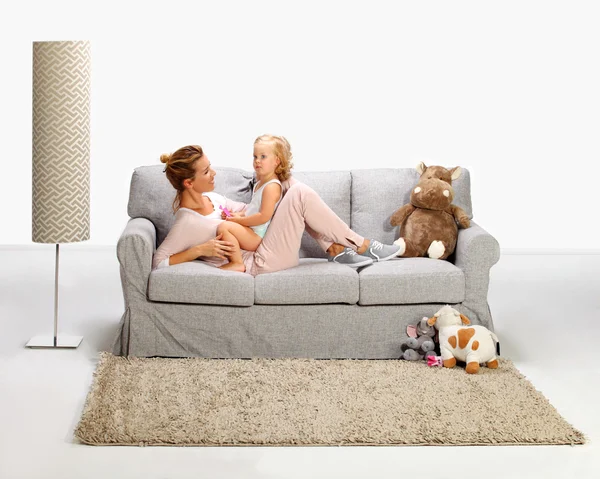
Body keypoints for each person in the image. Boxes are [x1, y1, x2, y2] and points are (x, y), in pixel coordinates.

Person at [153, 138, 402, 275]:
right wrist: (199, 250)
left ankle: (336, 248)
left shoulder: (214, 199)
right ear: (189, 182)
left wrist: (260, 195)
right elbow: (159, 262)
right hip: (259, 261)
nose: (214, 173)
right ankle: (362, 245)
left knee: (285, 184)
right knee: (299, 193)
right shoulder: (187, 221)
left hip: (264, 245)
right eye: (207, 171)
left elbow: (254, 211)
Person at [214, 135, 286, 271]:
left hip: (257, 236)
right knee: (225, 224)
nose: (257, 161)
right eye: (255, 157)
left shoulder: (272, 187)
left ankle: (237, 263)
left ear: (276, 161)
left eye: (263, 157)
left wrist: (238, 221)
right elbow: (253, 209)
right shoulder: (260, 183)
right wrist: (237, 215)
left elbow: (263, 217)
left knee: (224, 227)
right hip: (251, 230)